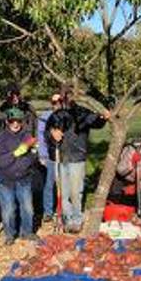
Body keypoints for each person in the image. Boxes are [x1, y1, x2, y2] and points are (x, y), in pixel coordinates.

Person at [45, 85, 110, 233]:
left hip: (76, 157)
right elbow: (47, 134)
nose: (66, 99)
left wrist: (103, 117)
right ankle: (67, 219)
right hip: (61, 157)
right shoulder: (56, 115)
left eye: (69, 96)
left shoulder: (81, 112)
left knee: (76, 192)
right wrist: (52, 134)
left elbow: (96, 122)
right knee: (64, 192)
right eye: (64, 96)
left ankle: (77, 219)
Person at [0, 108, 39, 245]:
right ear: (7, 121)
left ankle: (27, 232)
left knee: (28, 208)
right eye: (12, 121)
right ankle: (10, 234)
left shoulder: (27, 136)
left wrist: (32, 153)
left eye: (18, 121)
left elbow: (33, 156)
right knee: (9, 209)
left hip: (24, 178)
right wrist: (16, 153)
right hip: (5, 180)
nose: (15, 124)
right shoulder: (0, 138)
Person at [37, 92, 62, 222]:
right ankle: (48, 211)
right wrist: (43, 155)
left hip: (65, 156)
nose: (57, 105)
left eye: (59, 102)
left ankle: (63, 209)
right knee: (49, 183)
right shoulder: (45, 117)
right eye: (54, 102)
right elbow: (41, 137)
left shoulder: (67, 116)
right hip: (50, 156)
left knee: (64, 184)